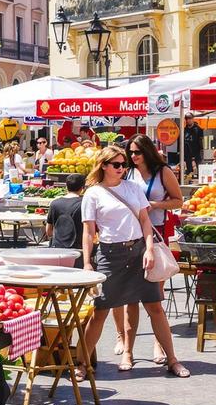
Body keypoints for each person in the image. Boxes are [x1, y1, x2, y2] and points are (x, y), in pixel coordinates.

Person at [81, 145, 189, 378]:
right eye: (117, 164)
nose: (122, 168)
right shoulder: (93, 193)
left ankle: (172, 359)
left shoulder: (132, 188)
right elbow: (88, 231)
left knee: (155, 306)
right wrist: (87, 262)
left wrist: (149, 249)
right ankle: (81, 363)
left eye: (124, 164)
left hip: (138, 251)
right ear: (104, 166)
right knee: (100, 311)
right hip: (110, 255)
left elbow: (145, 221)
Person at [121, 134, 184, 365]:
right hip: (130, 236)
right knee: (130, 297)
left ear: (147, 151)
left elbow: (179, 200)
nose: (133, 156)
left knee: (155, 295)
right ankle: (128, 349)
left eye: (137, 152)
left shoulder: (162, 172)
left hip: (156, 234)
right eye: (131, 152)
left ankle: (159, 344)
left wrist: (153, 205)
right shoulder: (126, 172)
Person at [45, 174, 85, 252]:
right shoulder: (84, 203)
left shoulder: (54, 203)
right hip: (78, 249)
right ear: (82, 188)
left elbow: (48, 231)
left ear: (66, 187)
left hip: (57, 249)